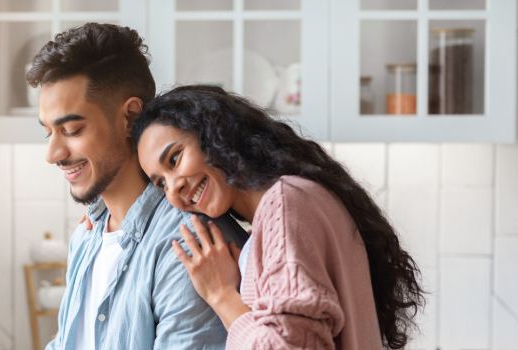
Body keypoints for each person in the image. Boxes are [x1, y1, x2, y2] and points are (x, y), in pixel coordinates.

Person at [132, 85, 425, 349]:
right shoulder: (291, 203)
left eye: (174, 159)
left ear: (213, 132)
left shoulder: (286, 205)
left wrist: (222, 295)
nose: (174, 188)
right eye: (160, 184)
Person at [26, 24, 247, 349]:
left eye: (72, 130)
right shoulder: (87, 237)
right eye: (49, 132)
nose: (53, 154)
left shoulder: (190, 245)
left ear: (130, 117)